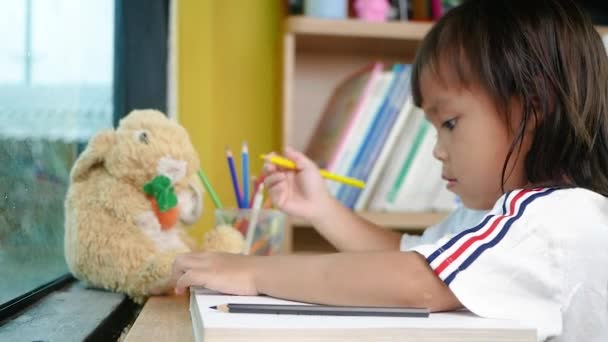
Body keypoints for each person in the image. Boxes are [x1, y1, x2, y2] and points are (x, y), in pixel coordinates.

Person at [171, 0, 608, 340]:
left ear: (531, 109)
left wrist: (253, 272)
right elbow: (409, 256)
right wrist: (323, 209)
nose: (437, 150)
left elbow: (417, 280)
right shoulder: (498, 218)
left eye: (450, 123)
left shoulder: (554, 222)